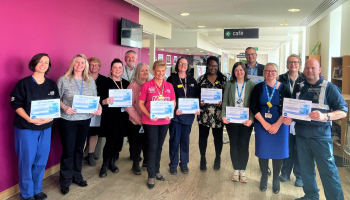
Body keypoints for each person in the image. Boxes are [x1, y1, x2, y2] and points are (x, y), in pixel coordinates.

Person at [291, 58, 347, 200]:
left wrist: (325, 116)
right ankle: (310, 195)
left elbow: (343, 111)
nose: (310, 71)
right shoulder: (298, 87)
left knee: (328, 171)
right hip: (301, 135)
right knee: (305, 169)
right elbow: (292, 109)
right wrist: (289, 117)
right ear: (304, 70)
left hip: (321, 137)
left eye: (313, 68)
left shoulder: (329, 88)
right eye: (307, 68)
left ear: (319, 70)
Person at [10, 53, 60, 200]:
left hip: (46, 128)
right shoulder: (23, 83)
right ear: (34, 63)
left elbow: (55, 105)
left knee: (41, 160)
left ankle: (37, 189)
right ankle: (26, 193)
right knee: (26, 161)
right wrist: (30, 119)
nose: (43, 64)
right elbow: (16, 104)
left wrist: (49, 118)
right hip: (26, 128)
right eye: (40, 61)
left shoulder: (51, 84)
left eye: (46, 62)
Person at [57, 54, 102, 195]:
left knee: (79, 149)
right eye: (77, 62)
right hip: (68, 120)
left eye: (82, 62)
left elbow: (95, 99)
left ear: (85, 65)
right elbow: (55, 99)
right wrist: (64, 107)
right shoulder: (63, 80)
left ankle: (77, 176)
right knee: (68, 150)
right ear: (73, 64)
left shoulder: (90, 81)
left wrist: (99, 108)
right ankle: (65, 181)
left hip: (84, 120)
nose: (80, 64)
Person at [249, 63, 292, 194]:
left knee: (278, 152)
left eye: (273, 71)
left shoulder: (284, 88)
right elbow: (253, 106)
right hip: (262, 124)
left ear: (277, 73)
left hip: (280, 123)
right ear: (264, 73)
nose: (270, 73)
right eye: (267, 71)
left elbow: (288, 107)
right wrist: (265, 124)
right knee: (263, 151)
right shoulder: (258, 87)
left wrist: (277, 124)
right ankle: (263, 176)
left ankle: (275, 179)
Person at [139, 60, 176, 189]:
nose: (160, 73)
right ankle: (150, 174)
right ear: (153, 72)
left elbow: (173, 102)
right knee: (152, 146)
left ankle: (157, 170)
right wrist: (149, 115)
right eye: (158, 71)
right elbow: (140, 104)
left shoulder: (169, 86)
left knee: (159, 146)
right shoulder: (147, 86)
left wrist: (170, 112)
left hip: (164, 121)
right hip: (150, 121)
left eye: (163, 71)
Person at [221, 62, 255, 183]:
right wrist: (223, 115)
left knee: (244, 145)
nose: (239, 72)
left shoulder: (251, 84)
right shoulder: (229, 84)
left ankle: (243, 170)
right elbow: (225, 100)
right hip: (232, 120)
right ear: (233, 72)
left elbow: (253, 104)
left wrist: (251, 119)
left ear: (245, 71)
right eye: (236, 70)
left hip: (246, 120)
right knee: (234, 144)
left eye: (241, 70)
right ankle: (236, 169)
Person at [167, 57, 200, 175]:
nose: (183, 65)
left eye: (185, 64)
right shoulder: (171, 79)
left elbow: (197, 95)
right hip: (176, 115)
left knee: (185, 140)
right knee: (175, 140)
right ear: (177, 65)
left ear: (188, 66)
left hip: (188, 116)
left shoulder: (191, 79)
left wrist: (197, 108)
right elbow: (168, 96)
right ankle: (173, 164)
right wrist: (174, 109)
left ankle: (184, 163)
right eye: (181, 63)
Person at [99, 58, 130, 177]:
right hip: (110, 118)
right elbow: (98, 100)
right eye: (115, 67)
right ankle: (104, 165)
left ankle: (113, 162)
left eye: (120, 68)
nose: (117, 70)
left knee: (119, 142)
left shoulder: (126, 83)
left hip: (122, 118)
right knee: (110, 142)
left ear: (122, 69)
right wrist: (104, 101)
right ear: (111, 69)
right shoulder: (105, 82)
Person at [278, 54, 305, 187]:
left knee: (299, 146)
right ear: (287, 64)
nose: (293, 64)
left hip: (301, 119)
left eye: (295, 62)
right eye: (290, 62)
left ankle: (299, 175)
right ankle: (285, 172)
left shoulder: (305, 78)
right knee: (287, 145)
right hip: (286, 118)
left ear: (299, 64)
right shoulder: (281, 78)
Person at [197, 56, 227, 171]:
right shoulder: (201, 79)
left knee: (218, 138)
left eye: (215, 65)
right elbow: (196, 96)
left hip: (218, 115)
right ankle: (203, 158)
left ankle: (217, 158)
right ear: (207, 66)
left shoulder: (224, 79)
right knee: (203, 138)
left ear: (218, 66)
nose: (212, 68)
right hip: (204, 114)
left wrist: (222, 102)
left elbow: (227, 97)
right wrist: (199, 102)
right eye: (210, 65)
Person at [125, 62, 150, 175]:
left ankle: (146, 161)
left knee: (147, 142)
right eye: (142, 70)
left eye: (146, 70)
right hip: (136, 121)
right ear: (137, 72)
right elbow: (128, 105)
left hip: (149, 120)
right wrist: (138, 119)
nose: (145, 72)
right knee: (137, 143)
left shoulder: (151, 84)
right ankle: (135, 164)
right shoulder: (132, 86)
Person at [86, 57, 107, 166]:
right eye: (91, 64)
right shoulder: (83, 78)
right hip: (84, 111)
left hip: (98, 111)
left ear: (99, 67)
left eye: (96, 65)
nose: (94, 67)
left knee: (94, 133)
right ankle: (80, 154)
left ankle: (90, 155)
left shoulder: (104, 80)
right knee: (84, 133)